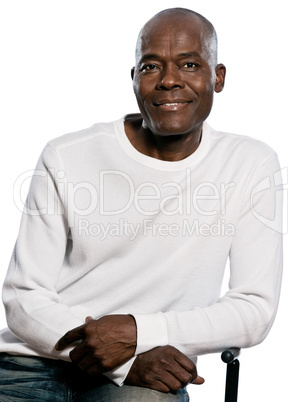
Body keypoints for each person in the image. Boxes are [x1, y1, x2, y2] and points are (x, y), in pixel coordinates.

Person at [0, 7, 283, 401]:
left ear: (217, 77)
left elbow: (253, 310)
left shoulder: (251, 164)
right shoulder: (67, 155)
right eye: (151, 67)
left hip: (145, 374)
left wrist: (137, 333)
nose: (169, 81)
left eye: (189, 64)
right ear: (134, 78)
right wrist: (122, 361)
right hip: (31, 363)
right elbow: (23, 296)